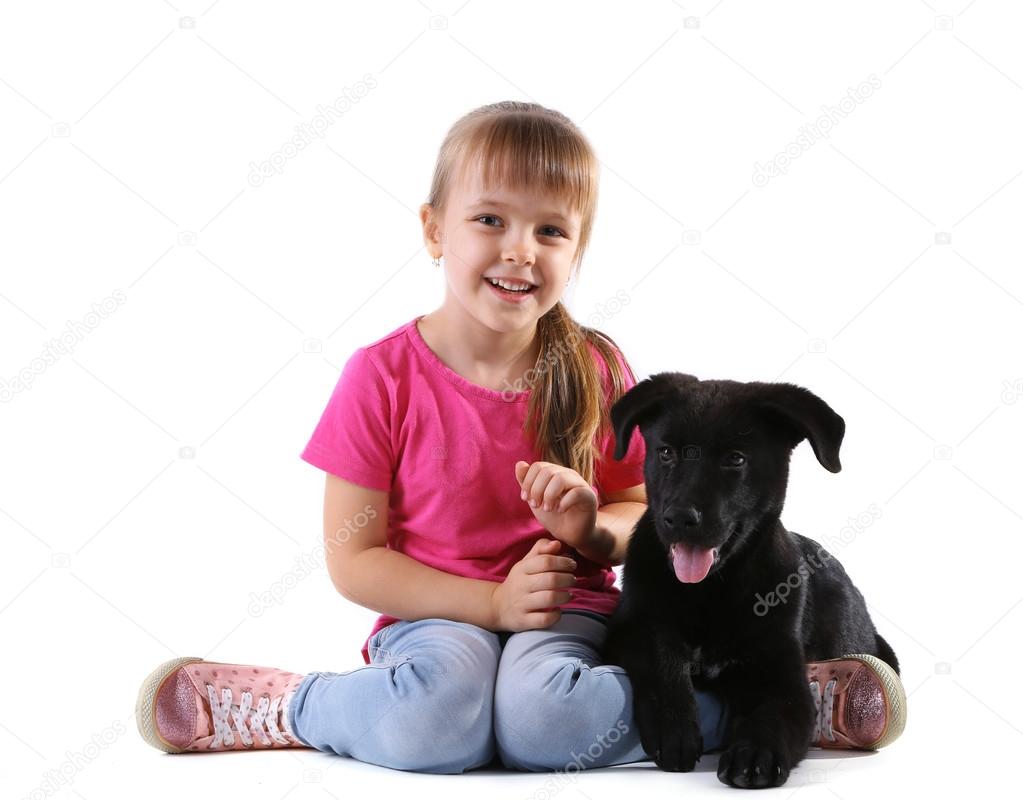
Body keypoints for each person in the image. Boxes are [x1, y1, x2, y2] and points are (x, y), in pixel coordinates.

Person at [135, 101, 906, 771]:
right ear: (434, 230)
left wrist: (591, 530)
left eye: (549, 230)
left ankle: (788, 710)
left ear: (576, 252)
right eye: (489, 220)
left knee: (543, 724)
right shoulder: (381, 377)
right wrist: (493, 605)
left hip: (566, 614)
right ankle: (284, 708)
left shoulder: (595, 367)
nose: (519, 250)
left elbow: (643, 508)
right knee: (435, 722)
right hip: (434, 614)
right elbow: (353, 561)